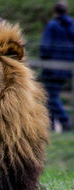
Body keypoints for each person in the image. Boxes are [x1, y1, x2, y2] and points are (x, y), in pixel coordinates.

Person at [40, 0, 74, 131]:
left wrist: (44, 62)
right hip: (66, 69)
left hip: (52, 68)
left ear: (55, 12)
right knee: (51, 95)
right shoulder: (72, 26)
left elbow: (45, 46)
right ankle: (52, 124)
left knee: (51, 97)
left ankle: (65, 122)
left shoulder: (52, 25)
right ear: (67, 11)